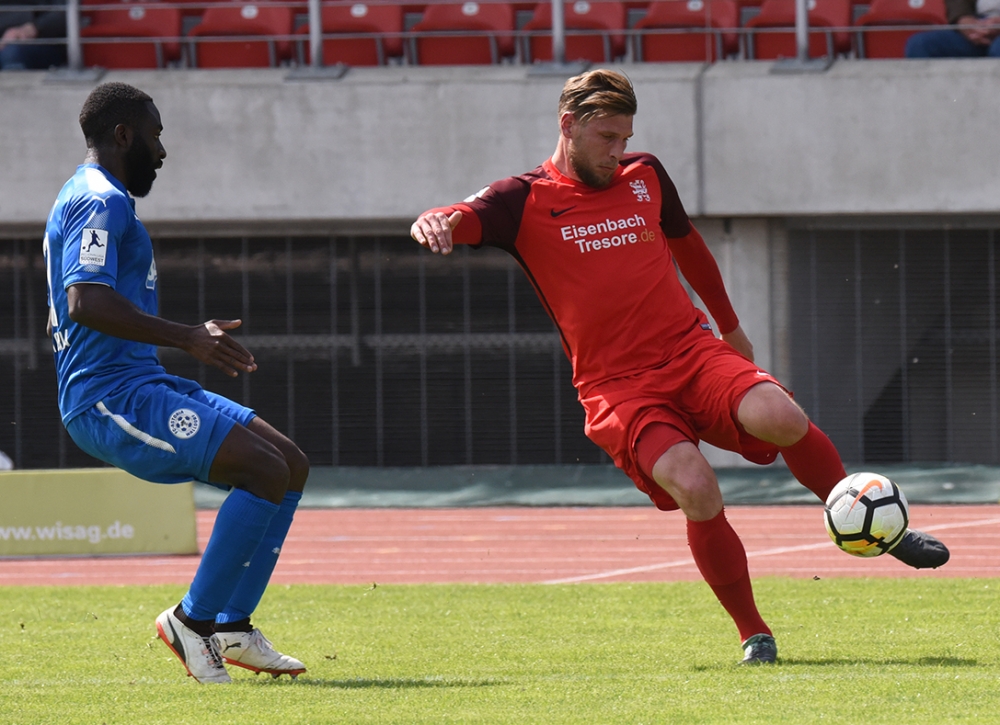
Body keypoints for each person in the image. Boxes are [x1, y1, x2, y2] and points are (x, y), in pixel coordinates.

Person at [410, 69, 950, 665]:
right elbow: (460, 215)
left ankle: (879, 529)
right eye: (606, 137)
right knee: (696, 486)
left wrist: (731, 328)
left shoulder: (645, 174)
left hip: (690, 351)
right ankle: (754, 633)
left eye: (625, 138)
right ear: (568, 125)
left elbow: (689, 245)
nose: (617, 151)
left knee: (781, 415)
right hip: (617, 387)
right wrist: (435, 218)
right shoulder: (520, 200)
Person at [43, 82, 309, 684]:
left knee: (288, 464)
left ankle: (232, 627)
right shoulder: (98, 200)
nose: (162, 151)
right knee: (262, 470)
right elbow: (85, 302)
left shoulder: (101, 197)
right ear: (124, 135)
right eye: (156, 135)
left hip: (142, 380)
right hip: (108, 397)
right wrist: (188, 336)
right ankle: (192, 622)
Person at [905, 0, 1000, 57]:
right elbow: (957, 3)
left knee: (997, 48)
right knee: (920, 45)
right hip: (979, 22)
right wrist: (964, 20)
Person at [0, 0, 66, 70]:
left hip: (42, 42)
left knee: (12, 54)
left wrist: (34, 27)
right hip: (7, 44)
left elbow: (64, 13)